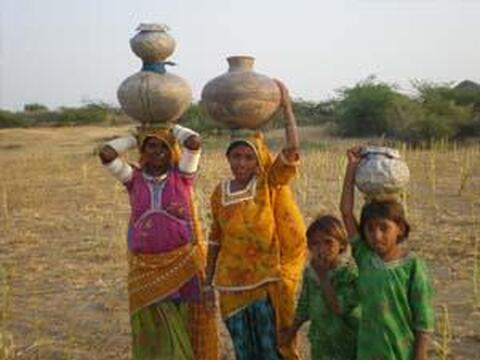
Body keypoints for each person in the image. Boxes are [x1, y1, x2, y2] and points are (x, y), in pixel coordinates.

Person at [204, 81, 307, 360]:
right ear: (227, 158)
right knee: (244, 350)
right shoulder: (219, 192)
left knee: (270, 348)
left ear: (257, 161)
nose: (241, 163)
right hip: (230, 286)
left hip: (265, 281)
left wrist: (286, 107)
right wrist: (207, 281)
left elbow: (293, 148)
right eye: (236, 156)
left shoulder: (267, 183)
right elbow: (215, 237)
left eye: (248, 157)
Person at [98, 124, 217, 360]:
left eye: (164, 145)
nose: (158, 151)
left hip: (184, 264)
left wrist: (171, 128)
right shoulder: (133, 178)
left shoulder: (182, 175)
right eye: (151, 145)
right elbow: (106, 154)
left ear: (172, 148)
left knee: (188, 320)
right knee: (153, 322)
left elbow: (194, 143)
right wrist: (134, 137)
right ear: (143, 150)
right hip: (146, 267)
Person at [340, 146, 434, 360]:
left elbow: (423, 317)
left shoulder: (412, 266)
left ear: (400, 228)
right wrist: (351, 168)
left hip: (402, 352)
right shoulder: (364, 256)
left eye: (384, 228)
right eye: (370, 229)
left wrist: (421, 355)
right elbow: (346, 212)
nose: (376, 235)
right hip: (368, 350)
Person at [280, 215, 360, 360]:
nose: (321, 249)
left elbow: (339, 308)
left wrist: (323, 278)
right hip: (321, 344)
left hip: (347, 344)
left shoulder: (348, 274)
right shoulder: (311, 273)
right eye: (315, 244)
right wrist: (291, 333)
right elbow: (304, 305)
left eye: (328, 242)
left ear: (341, 245)